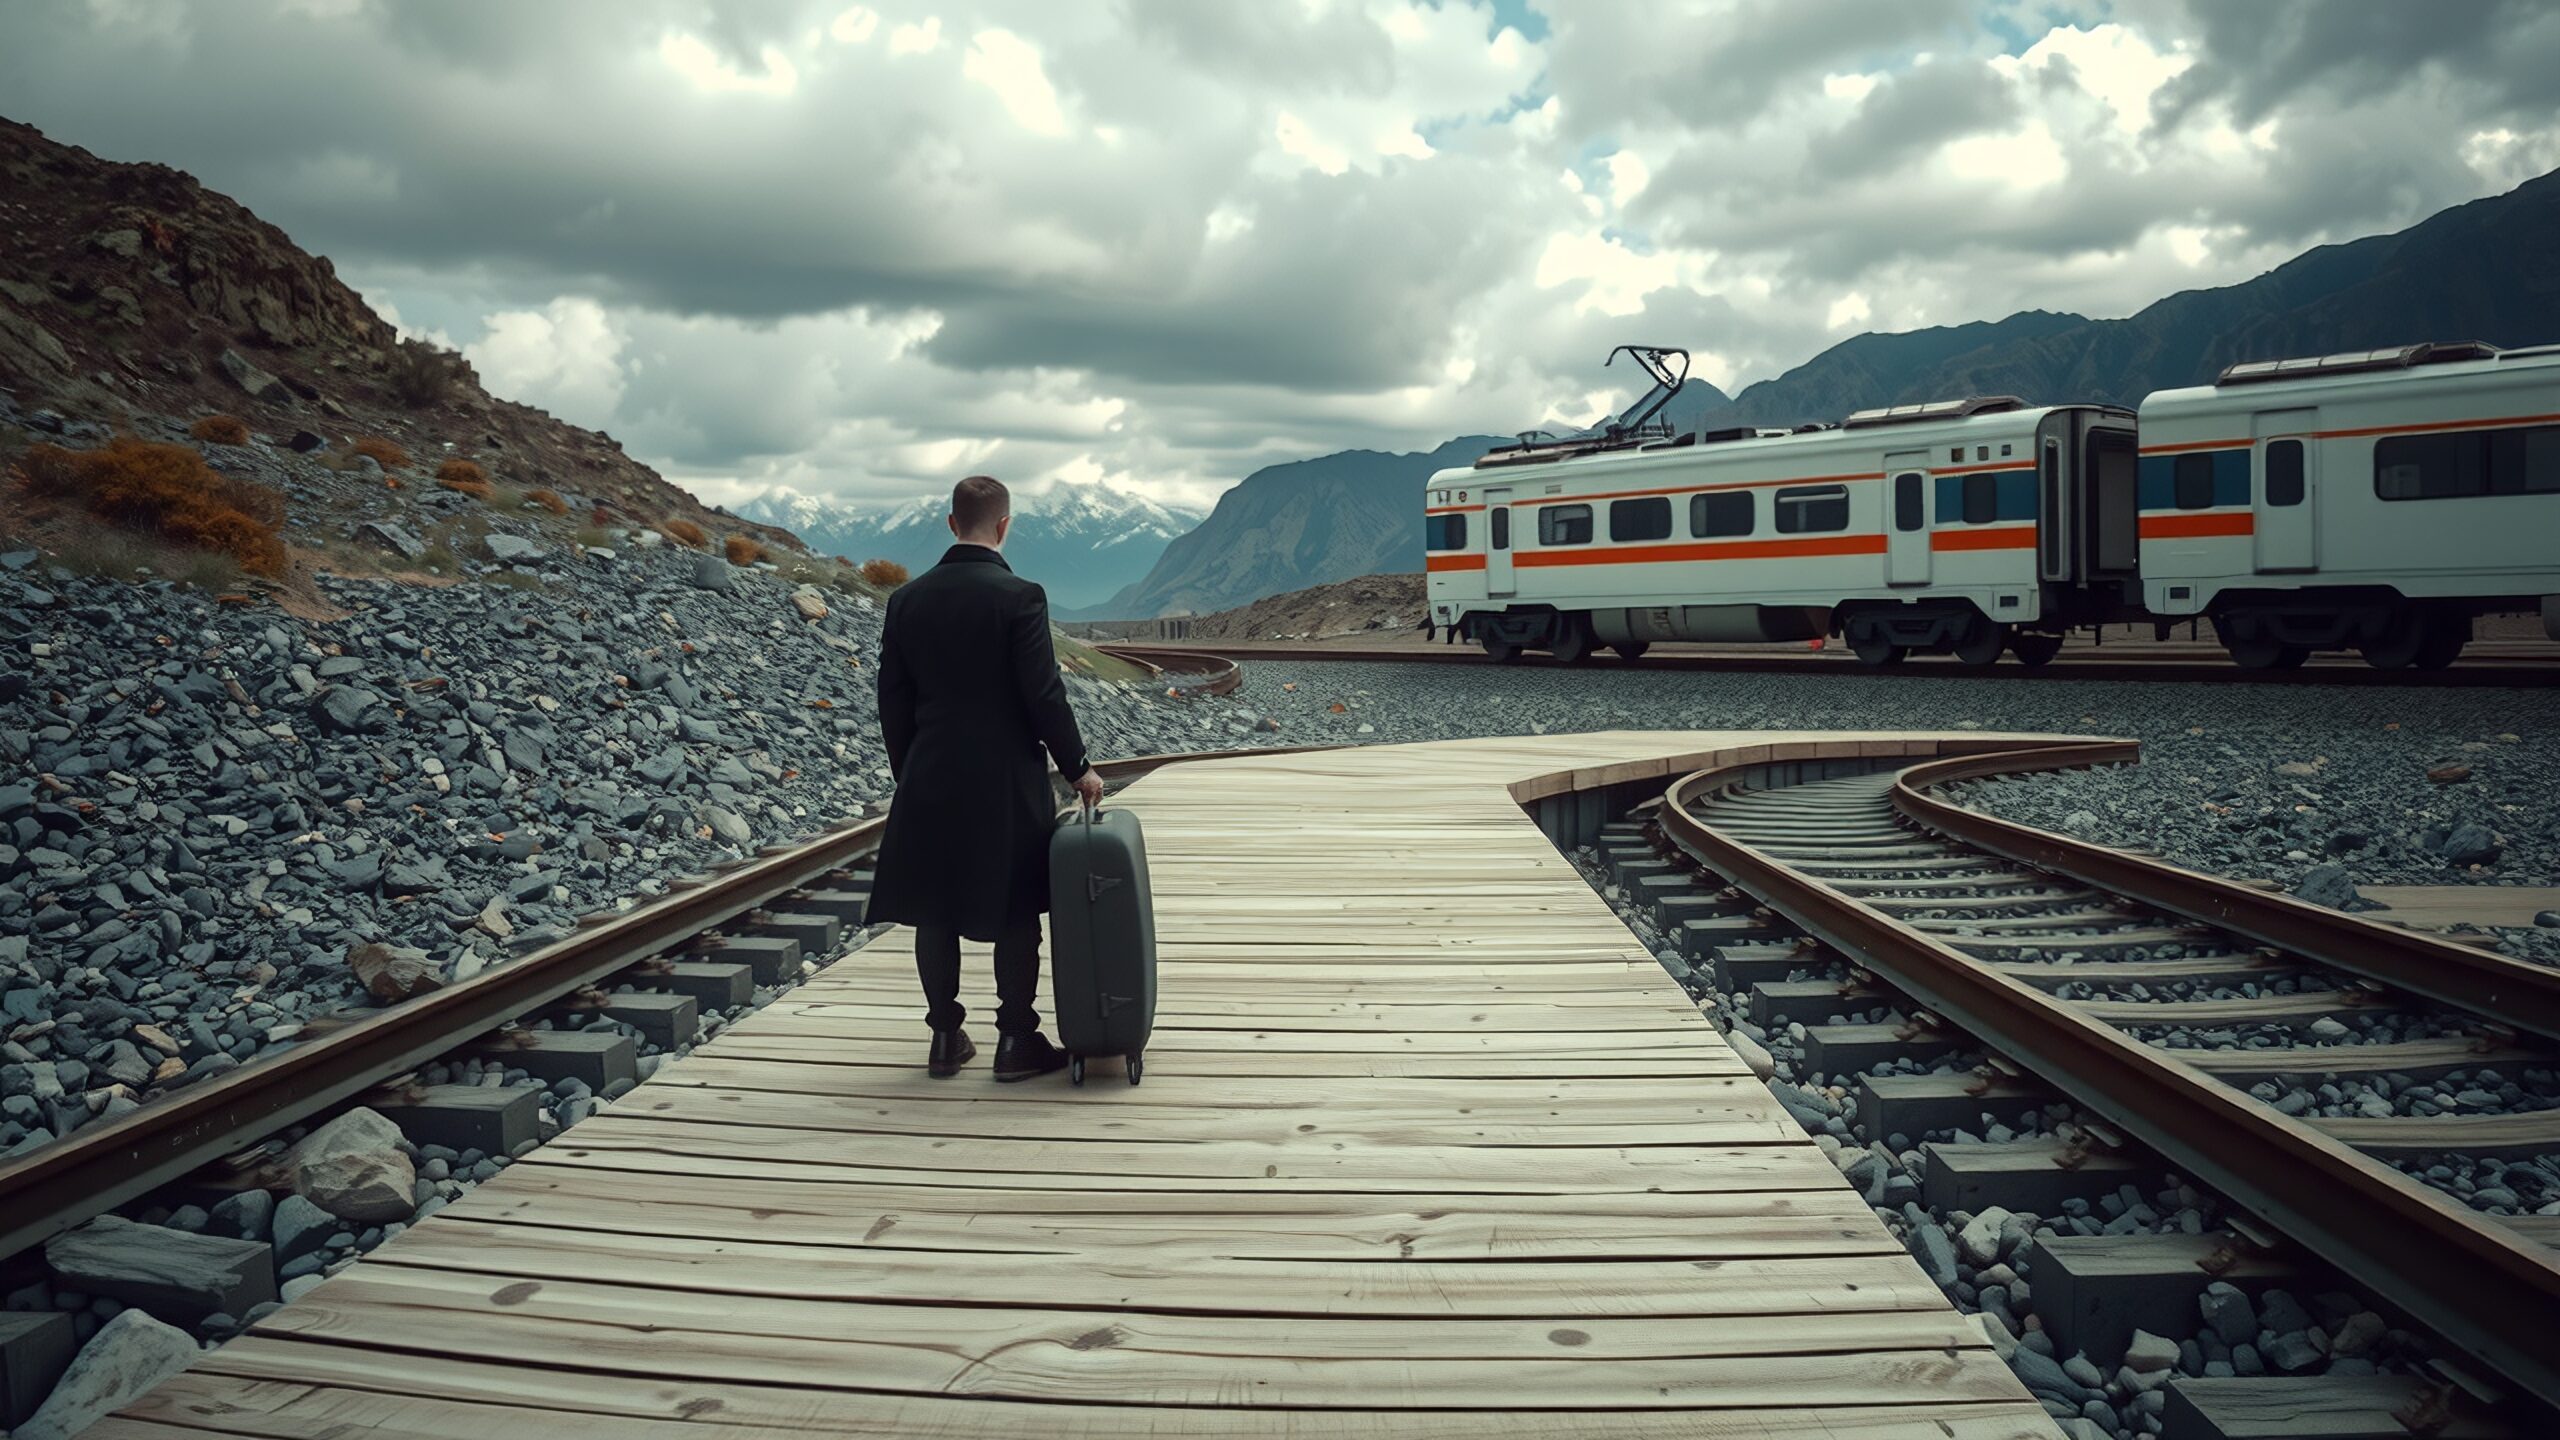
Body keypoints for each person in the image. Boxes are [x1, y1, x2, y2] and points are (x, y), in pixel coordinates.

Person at [865, 474, 1105, 1080]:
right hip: (1003, 781)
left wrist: (910, 770)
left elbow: (891, 699)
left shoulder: (906, 600)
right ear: (1004, 526)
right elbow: (1043, 695)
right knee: (1017, 908)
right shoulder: (1020, 596)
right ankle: (1016, 1040)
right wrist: (1077, 767)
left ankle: (945, 1037)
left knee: (934, 906)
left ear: (951, 523)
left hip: (929, 774)